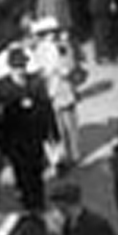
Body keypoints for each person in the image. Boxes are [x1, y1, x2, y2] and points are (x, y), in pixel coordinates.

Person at [0, 46, 58, 212]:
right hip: (14, 139)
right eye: (16, 67)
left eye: (22, 67)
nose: (20, 71)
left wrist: (52, 132)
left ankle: (38, 203)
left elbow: (46, 108)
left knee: (36, 171)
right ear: (10, 68)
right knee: (22, 172)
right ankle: (28, 203)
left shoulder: (36, 83)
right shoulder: (1, 87)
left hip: (34, 136)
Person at [32, 17, 81, 169]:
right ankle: (62, 156)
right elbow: (39, 71)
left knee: (70, 124)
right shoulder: (39, 51)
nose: (51, 36)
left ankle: (74, 154)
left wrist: (67, 69)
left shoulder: (63, 46)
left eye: (53, 32)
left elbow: (71, 62)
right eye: (47, 34)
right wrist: (51, 72)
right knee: (57, 128)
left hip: (65, 88)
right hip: (51, 91)